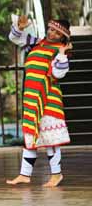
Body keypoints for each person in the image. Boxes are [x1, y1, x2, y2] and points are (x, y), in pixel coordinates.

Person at [6, 15, 73, 187]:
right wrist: (20, 28)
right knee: (31, 137)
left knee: (51, 138)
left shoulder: (60, 51)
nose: (51, 34)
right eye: (50, 30)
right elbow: (14, 38)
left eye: (56, 33)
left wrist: (62, 54)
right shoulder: (37, 43)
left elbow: (58, 74)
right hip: (31, 99)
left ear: (63, 37)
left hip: (48, 100)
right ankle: (24, 175)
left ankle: (56, 175)